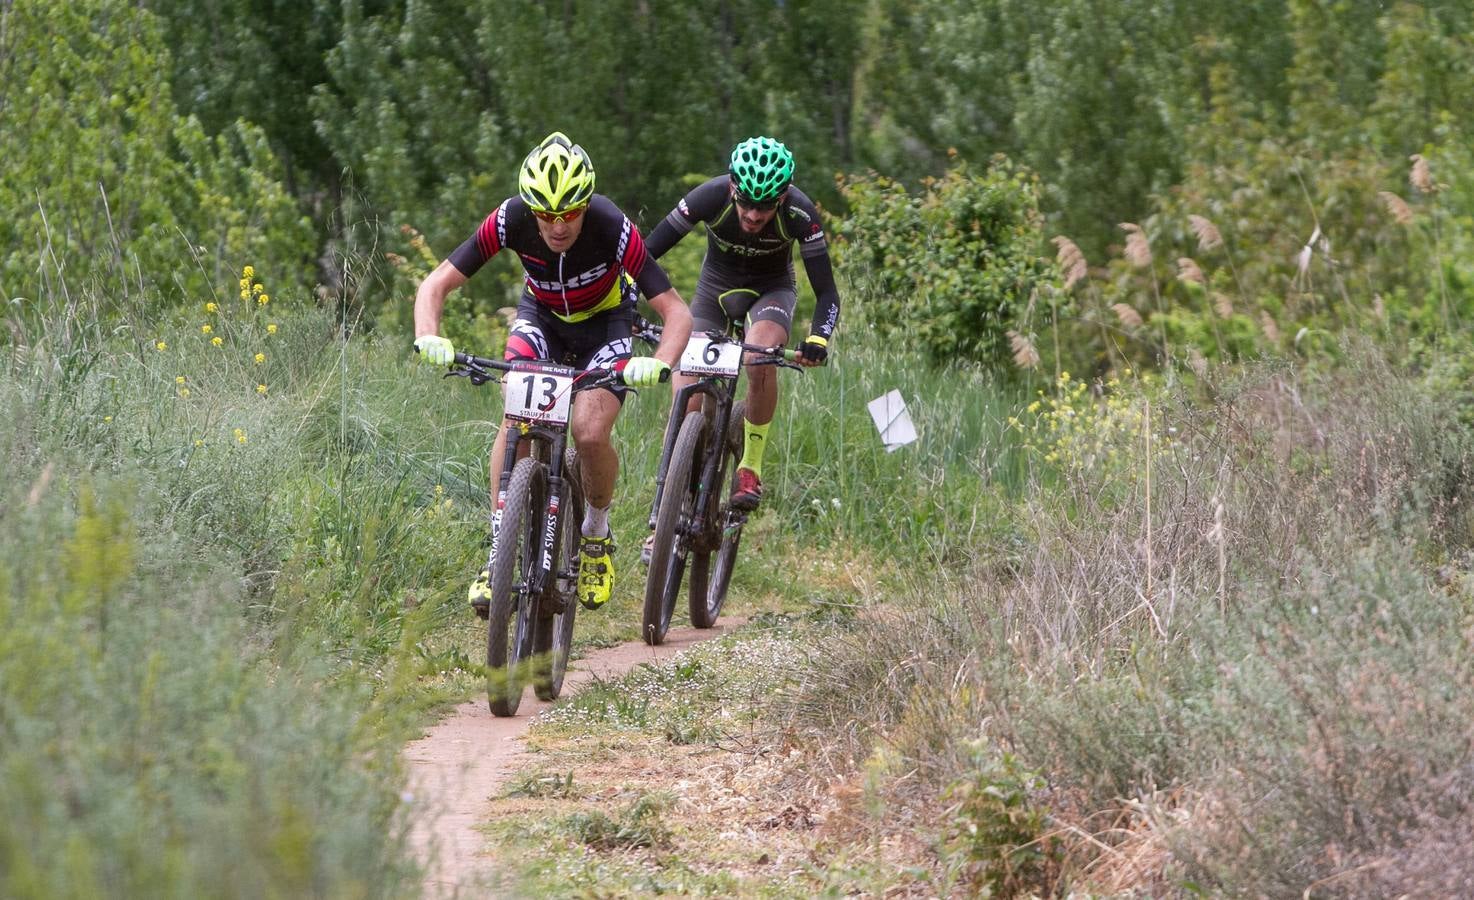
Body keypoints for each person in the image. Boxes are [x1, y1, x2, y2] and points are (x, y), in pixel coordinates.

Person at [414, 132, 692, 613]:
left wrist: (660, 363)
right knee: (515, 418)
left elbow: (677, 313)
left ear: (586, 205)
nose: (557, 226)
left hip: (605, 327)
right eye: (546, 214)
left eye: (569, 214)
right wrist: (429, 335)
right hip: (540, 319)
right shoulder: (511, 217)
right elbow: (436, 284)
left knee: (587, 432)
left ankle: (596, 536)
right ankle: (499, 549)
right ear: (531, 208)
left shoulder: (610, 224)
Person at [643, 135, 839, 515]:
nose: (752, 215)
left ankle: (750, 466)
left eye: (764, 207)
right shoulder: (710, 196)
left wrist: (819, 337)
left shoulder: (800, 213)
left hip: (771, 292)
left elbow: (827, 293)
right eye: (746, 203)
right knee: (688, 392)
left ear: (781, 198)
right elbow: (645, 255)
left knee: (758, 358)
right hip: (714, 290)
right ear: (733, 187)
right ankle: (671, 502)